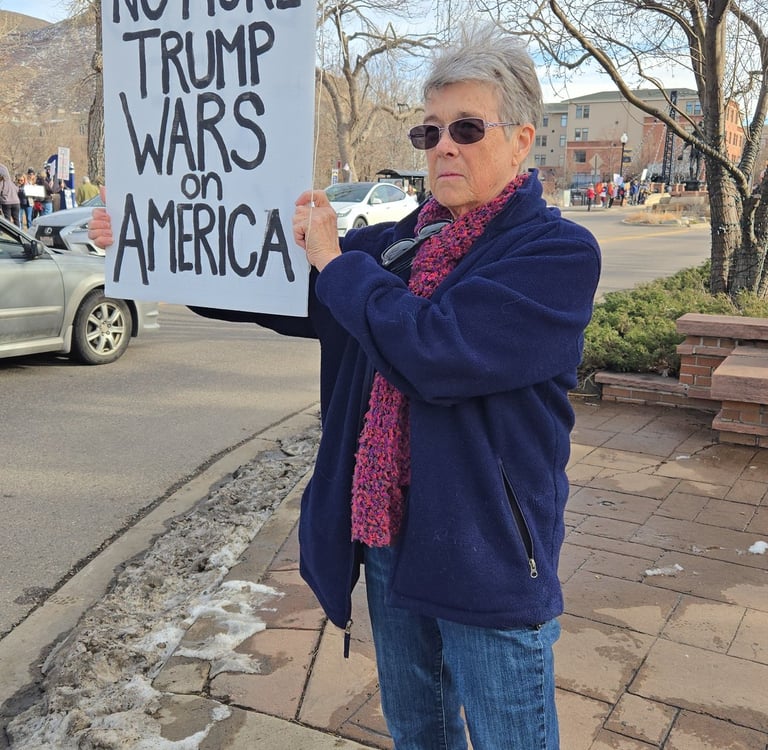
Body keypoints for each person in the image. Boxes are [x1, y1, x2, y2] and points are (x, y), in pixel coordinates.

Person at [90, 24, 601, 749]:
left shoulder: (556, 253)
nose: (444, 147)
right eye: (429, 131)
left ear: (521, 142)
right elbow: (272, 288)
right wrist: (152, 242)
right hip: (390, 535)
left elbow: (435, 351)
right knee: (418, 731)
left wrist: (335, 263)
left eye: (466, 128)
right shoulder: (395, 244)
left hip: (486, 551)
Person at [0, 163, 21, 227]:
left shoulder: (2, 183)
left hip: (6, 203)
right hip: (16, 202)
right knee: (16, 220)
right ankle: (18, 232)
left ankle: (8, 232)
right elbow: (17, 190)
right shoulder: (12, 182)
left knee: (7, 220)